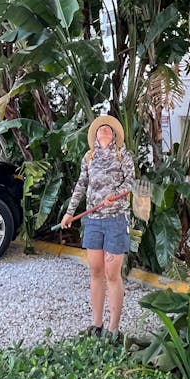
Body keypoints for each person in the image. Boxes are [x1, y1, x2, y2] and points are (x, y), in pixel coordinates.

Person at [61, 114, 134, 341]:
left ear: (114, 135)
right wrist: (70, 212)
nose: (104, 129)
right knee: (95, 271)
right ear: (95, 134)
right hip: (93, 220)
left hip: (116, 220)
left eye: (108, 128)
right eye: (101, 128)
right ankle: (96, 325)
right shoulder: (89, 156)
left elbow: (131, 183)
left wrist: (116, 195)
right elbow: (81, 184)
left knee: (112, 273)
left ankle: (114, 329)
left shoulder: (123, 155)